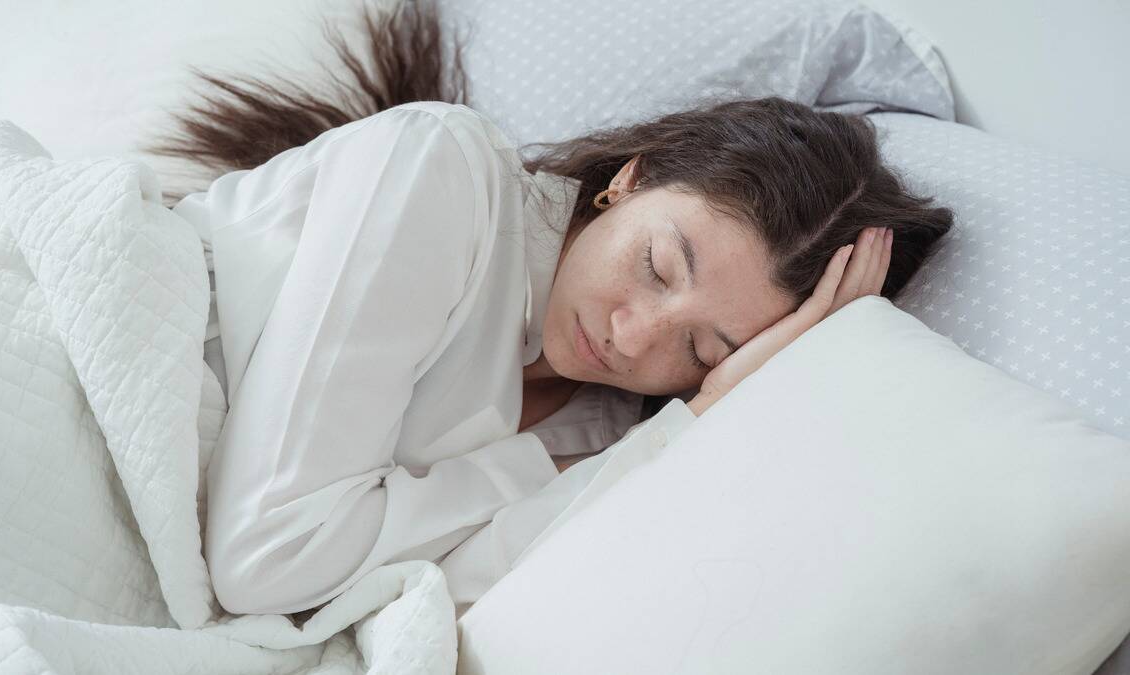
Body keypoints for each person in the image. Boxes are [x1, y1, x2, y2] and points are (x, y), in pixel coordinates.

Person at [156, 0, 953, 619]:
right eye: (655, 264)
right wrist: (548, 473)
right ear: (632, 179)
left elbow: (429, 605)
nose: (633, 335)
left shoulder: (611, 436)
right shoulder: (441, 174)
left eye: (705, 350)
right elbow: (266, 559)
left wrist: (701, 415)